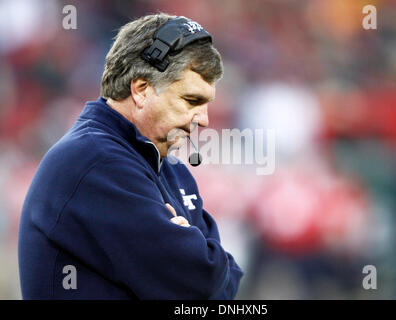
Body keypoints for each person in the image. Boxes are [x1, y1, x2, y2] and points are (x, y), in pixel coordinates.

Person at [18, 13, 243, 299]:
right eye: (191, 100)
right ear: (141, 90)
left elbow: (226, 283)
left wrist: (200, 257)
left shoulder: (171, 169)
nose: (205, 118)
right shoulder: (93, 161)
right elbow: (199, 281)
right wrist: (198, 252)